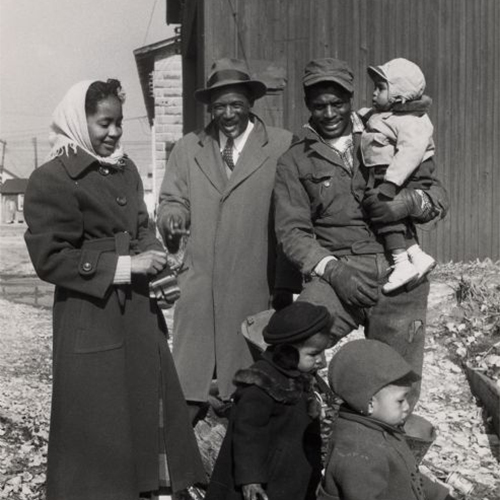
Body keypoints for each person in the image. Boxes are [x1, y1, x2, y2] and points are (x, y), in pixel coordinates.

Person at [24, 80, 205, 500]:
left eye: (119, 123)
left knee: (145, 401)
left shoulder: (123, 169)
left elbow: (141, 228)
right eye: (104, 123)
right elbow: (50, 258)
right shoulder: (52, 178)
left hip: (137, 310)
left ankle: (145, 488)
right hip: (90, 313)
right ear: (79, 121)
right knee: (97, 416)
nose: (115, 133)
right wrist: (126, 266)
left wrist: (160, 266)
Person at [273, 58, 449, 398]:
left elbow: (437, 196)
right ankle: (317, 420)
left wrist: (411, 202)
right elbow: (292, 233)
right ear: (307, 104)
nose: (328, 113)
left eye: (337, 103)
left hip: (402, 276)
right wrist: (334, 271)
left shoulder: (388, 130)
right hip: (339, 272)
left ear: (350, 99)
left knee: (397, 386)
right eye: (319, 105)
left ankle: (393, 448)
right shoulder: (293, 160)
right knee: (290, 349)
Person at [157, 58, 297, 422]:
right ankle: (180, 456)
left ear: (251, 103)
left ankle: (241, 450)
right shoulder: (188, 149)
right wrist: (172, 217)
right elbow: (172, 199)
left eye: (236, 104)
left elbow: (294, 211)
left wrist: (287, 281)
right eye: (219, 106)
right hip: (199, 279)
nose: (228, 114)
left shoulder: (281, 145)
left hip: (256, 278)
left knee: (251, 377)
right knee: (190, 378)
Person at [205, 301, 330, 500]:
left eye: (322, 352)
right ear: (288, 351)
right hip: (263, 478)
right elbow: (248, 433)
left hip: (289, 476)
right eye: (314, 354)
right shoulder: (261, 383)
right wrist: (250, 478)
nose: (322, 361)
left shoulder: (301, 375)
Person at [318, 339, 456, 500]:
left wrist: (440, 495)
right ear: (369, 403)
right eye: (400, 401)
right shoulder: (359, 454)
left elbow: (409, 475)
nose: (407, 407)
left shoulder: (381, 428)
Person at [360, 57, 437, 293]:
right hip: (396, 175)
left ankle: (401, 263)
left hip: (409, 175)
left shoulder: (411, 121)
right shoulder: (391, 114)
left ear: (400, 97)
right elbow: (376, 119)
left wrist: (392, 183)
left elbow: (410, 153)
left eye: (381, 88)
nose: (374, 93)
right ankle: (417, 255)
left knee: (383, 209)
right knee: (394, 215)